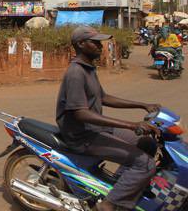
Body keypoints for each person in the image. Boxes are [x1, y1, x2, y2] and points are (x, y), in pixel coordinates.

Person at [56, 26, 160, 211]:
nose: (100, 46)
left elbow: (103, 97)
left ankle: (122, 185)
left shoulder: (88, 68)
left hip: (95, 129)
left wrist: (142, 105)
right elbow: (81, 113)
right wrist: (131, 124)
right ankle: (108, 205)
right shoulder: (76, 73)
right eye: (95, 42)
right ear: (81, 44)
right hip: (83, 136)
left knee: (147, 143)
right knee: (145, 164)